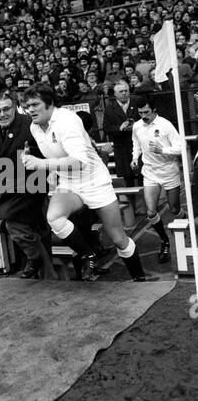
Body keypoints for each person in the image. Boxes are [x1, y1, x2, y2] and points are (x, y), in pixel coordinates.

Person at [21, 83, 147, 282]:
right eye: (27, 106)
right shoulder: (34, 127)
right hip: (70, 183)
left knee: (118, 239)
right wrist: (53, 171)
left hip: (94, 181)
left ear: (50, 103)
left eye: (35, 104)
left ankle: (140, 279)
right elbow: (57, 152)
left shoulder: (67, 121)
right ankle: (89, 255)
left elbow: (79, 162)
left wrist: (42, 164)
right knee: (54, 217)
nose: (30, 110)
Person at [0, 88, 57, 280]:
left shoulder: (30, 124)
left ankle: (45, 273)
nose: (2, 114)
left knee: (32, 228)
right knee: (15, 224)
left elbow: (49, 149)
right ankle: (38, 265)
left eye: (6, 109)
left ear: (15, 107)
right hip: (6, 185)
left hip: (33, 183)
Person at [131, 95, 185, 263]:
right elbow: (136, 144)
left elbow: (180, 147)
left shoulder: (165, 125)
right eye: (140, 112)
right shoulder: (137, 126)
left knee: (174, 209)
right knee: (151, 212)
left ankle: (188, 227)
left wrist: (163, 150)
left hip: (168, 171)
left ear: (154, 109)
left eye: (146, 112)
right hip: (150, 172)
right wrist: (135, 158)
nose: (143, 115)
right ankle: (165, 240)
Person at [103, 80, 141, 188]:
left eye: (126, 91)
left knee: (142, 176)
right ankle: (132, 204)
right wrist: (120, 128)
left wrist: (136, 126)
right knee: (127, 179)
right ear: (115, 94)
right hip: (122, 147)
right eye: (121, 91)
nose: (124, 93)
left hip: (138, 145)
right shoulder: (109, 108)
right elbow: (106, 128)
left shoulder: (136, 103)